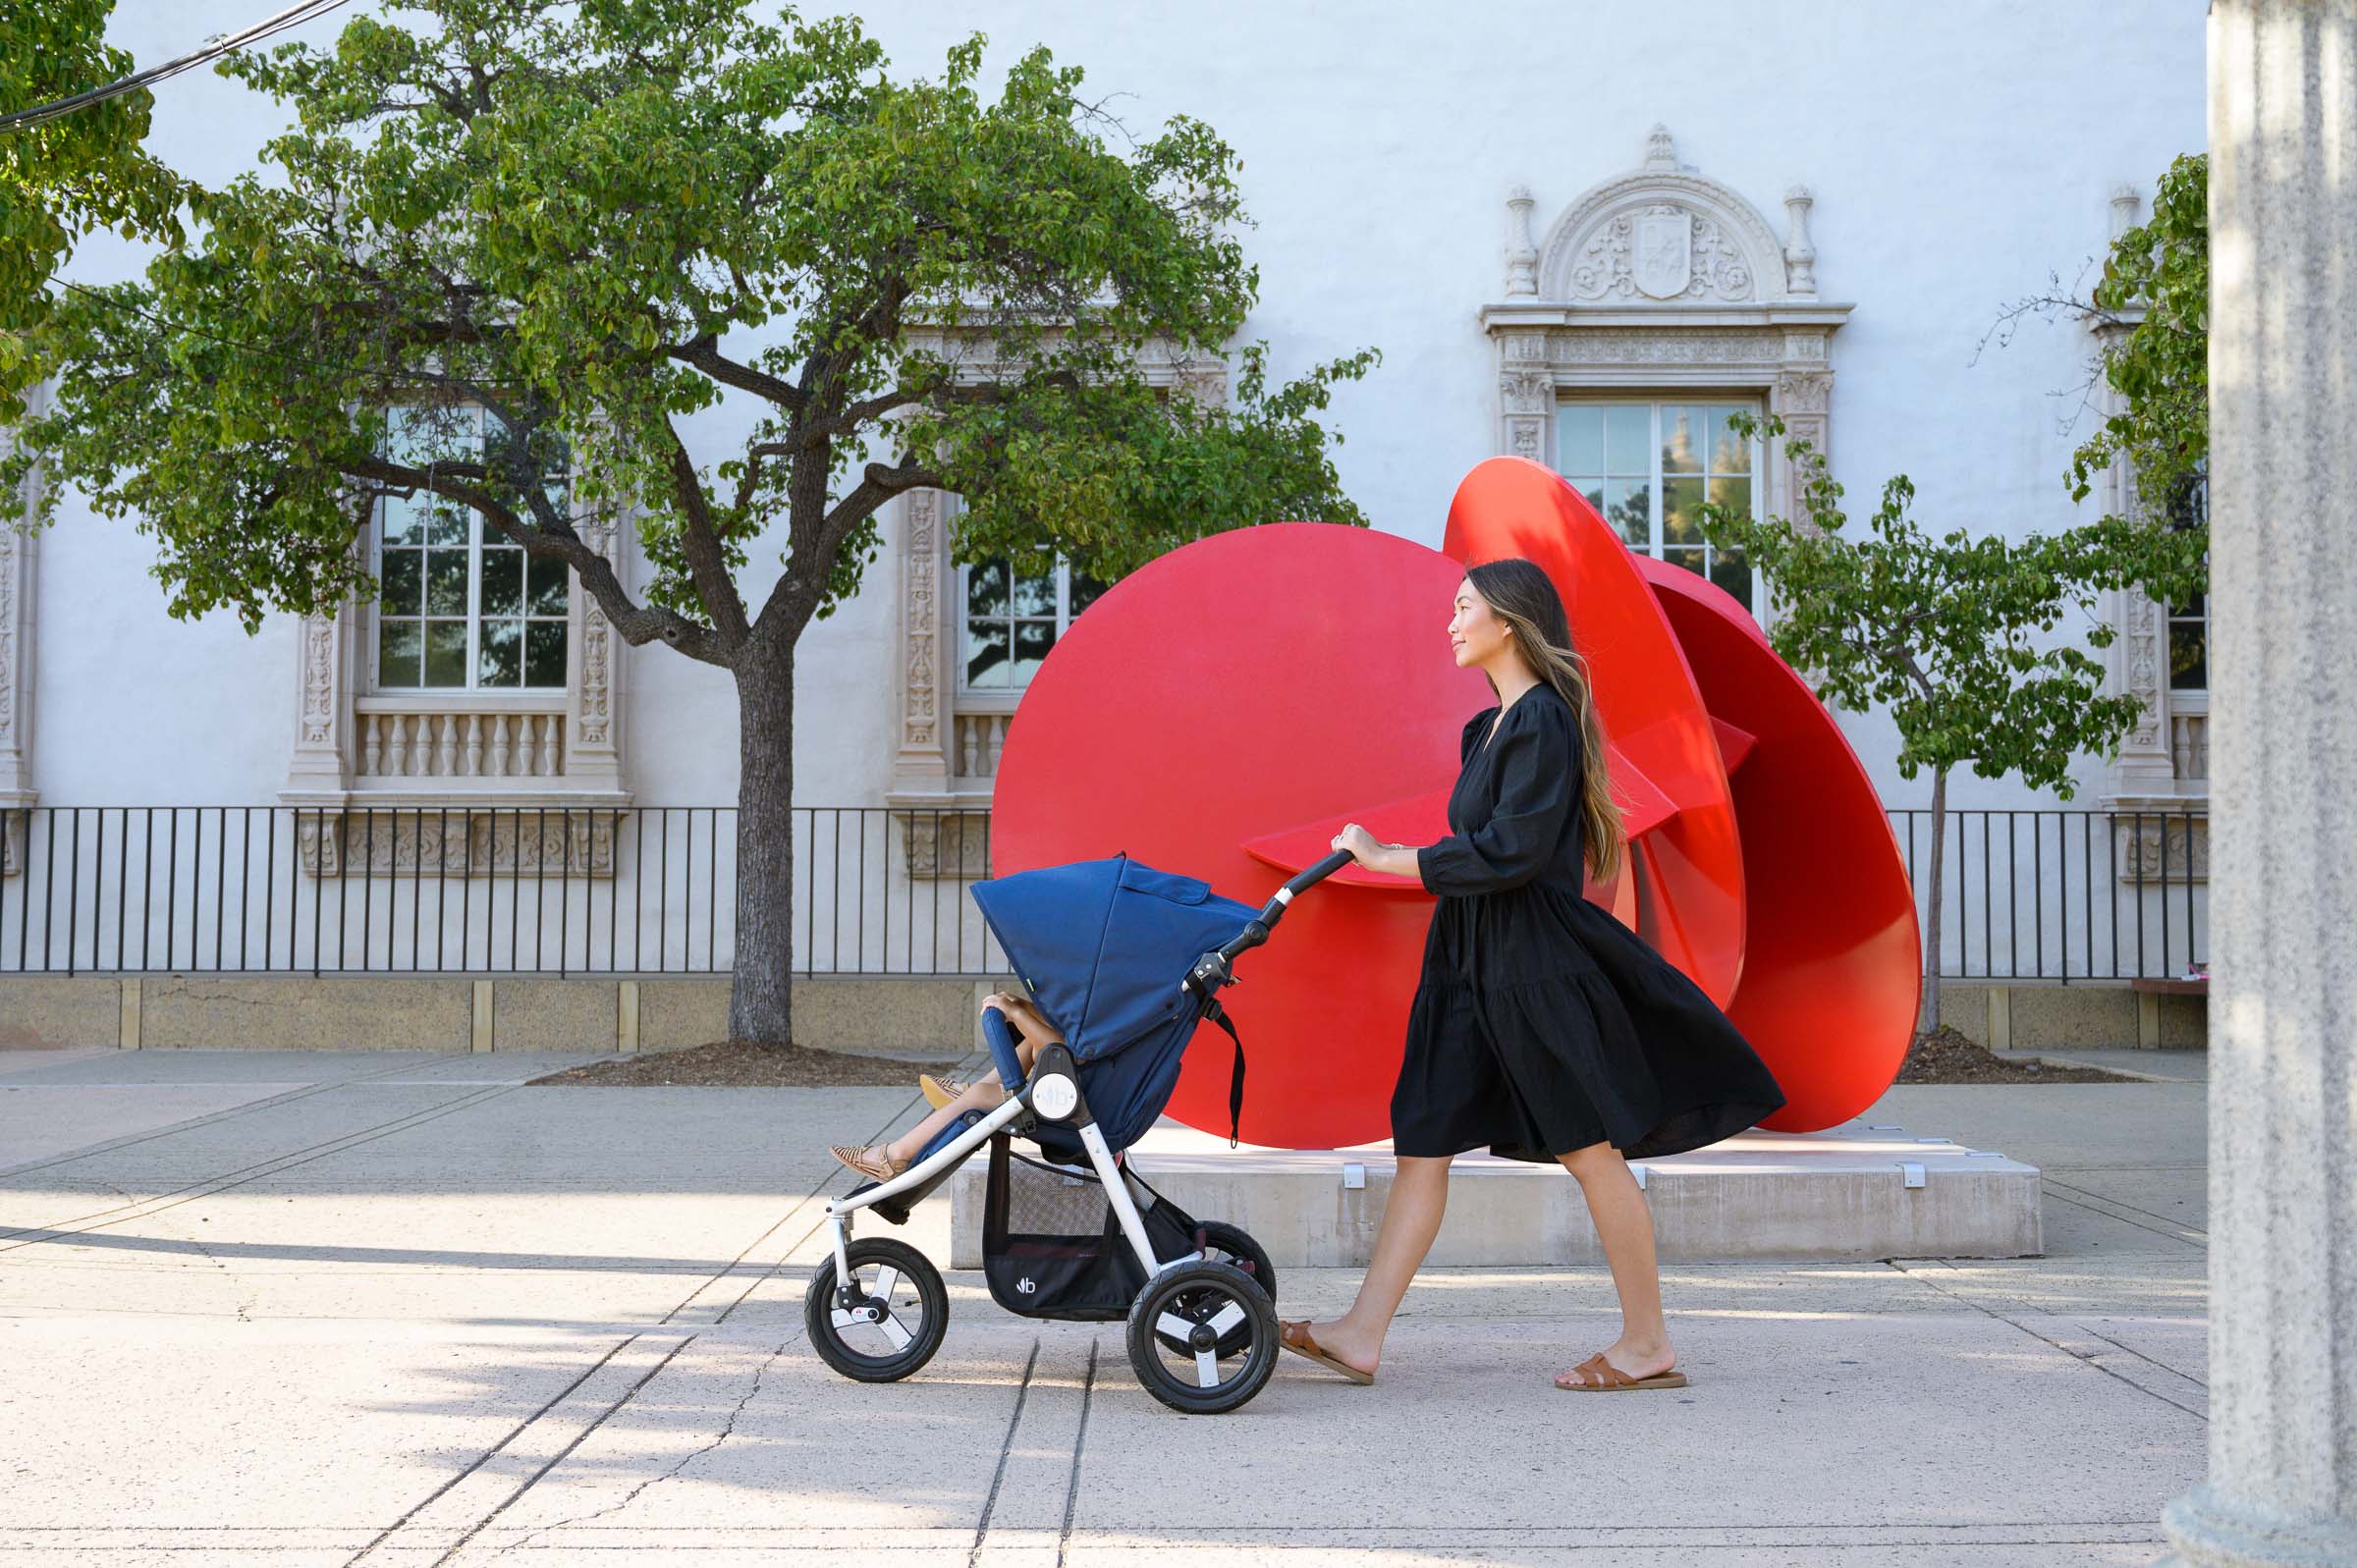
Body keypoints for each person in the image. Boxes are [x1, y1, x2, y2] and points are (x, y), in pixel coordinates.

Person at [1279, 558, 1785, 1391]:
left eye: (1463, 607)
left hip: (1526, 965)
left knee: (1588, 1147)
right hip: (1465, 961)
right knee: (1424, 1141)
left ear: (1507, 623)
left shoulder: (1544, 719)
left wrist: (1388, 855)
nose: (1450, 621)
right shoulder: (1487, 731)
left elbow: (1510, 853)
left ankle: (1647, 1343)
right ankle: (1360, 1333)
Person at [828, 990, 1062, 1181]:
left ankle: (894, 1157)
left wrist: (1017, 1012)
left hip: (1068, 1104)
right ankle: (970, 1094)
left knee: (982, 1094)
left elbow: (1067, 1053)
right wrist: (1023, 1007)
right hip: (1066, 1091)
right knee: (1034, 1043)